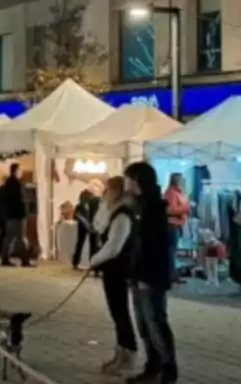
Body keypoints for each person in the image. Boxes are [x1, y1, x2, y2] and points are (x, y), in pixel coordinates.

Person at [124, 161, 178, 384]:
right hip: (138, 274)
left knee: (155, 322)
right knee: (144, 325)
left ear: (137, 181)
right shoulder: (138, 206)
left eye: (129, 178)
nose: (126, 183)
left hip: (150, 276)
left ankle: (168, 369)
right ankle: (152, 365)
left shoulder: (152, 209)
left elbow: (153, 246)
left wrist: (146, 275)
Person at [88, 175, 138, 376]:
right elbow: (99, 226)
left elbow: (114, 247)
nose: (105, 194)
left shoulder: (123, 216)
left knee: (120, 312)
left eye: (108, 190)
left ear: (116, 192)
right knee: (117, 313)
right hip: (113, 269)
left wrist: (94, 260)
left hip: (118, 269)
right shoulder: (116, 213)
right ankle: (121, 352)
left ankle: (128, 355)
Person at [0, 164, 33, 267]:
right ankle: (25, 260)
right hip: (16, 215)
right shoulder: (16, 184)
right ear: (16, 171)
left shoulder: (8, 183)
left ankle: (5, 258)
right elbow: (19, 200)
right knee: (20, 238)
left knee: (9, 237)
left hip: (10, 215)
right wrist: (23, 212)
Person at [164, 174, 189, 282]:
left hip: (176, 223)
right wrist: (185, 207)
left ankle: (172, 274)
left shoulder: (177, 192)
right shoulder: (171, 193)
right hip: (171, 224)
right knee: (171, 251)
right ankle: (171, 275)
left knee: (173, 251)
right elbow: (170, 210)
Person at [72, 189, 100, 271]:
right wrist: (86, 223)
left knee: (93, 245)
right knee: (80, 243)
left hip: (93, 225)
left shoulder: (95, 203)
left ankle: (93, 265)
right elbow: (76, 216)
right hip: (83, 226)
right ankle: (75, 262)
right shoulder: (80, 206)